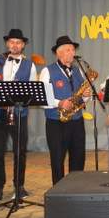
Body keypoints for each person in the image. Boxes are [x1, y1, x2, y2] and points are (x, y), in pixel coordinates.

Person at [0, 29, 37, 202]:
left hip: (18, 113)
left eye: (18, 42)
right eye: (12, 42)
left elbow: (33, 89)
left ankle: (19, 187)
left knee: (20, 151)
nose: (15, 45)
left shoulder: (30, 65)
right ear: (7, 44)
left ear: (23, 45)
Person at [40, 35, 91, 185]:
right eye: (68, 50)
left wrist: (86, 96)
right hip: (56, 122)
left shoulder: (78, 70)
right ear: (59, 53)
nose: (72, 53)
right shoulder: (47, 71)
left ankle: (75, 189)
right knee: (57, 160)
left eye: (73, 50)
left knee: (78, 157)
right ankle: (58, 191)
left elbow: (83, 97)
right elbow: (42, 98)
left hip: (77, 121)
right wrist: (60, 103)